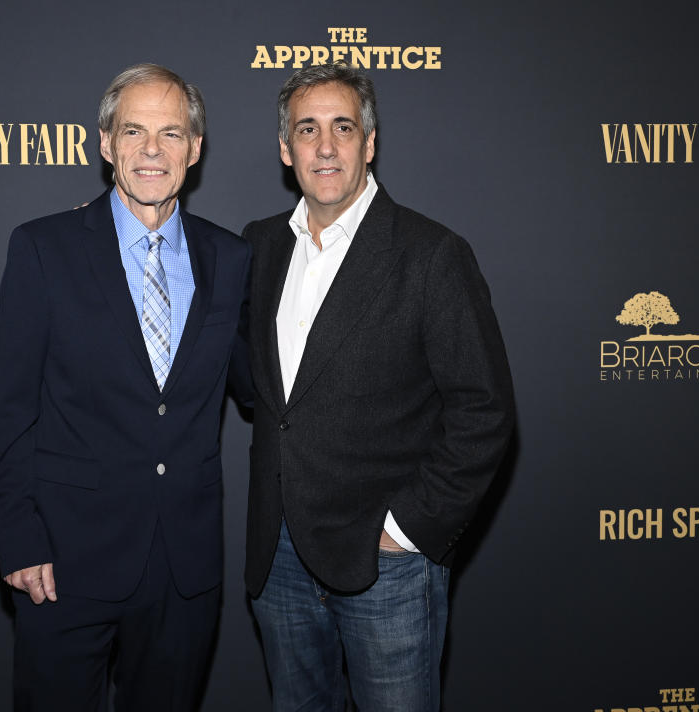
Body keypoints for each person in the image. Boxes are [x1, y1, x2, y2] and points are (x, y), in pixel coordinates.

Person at [243, 61, 515, 712]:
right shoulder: (257, 248)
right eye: (307, 129)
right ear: (286, 149)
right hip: (277, 556)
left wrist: (408, 531)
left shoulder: (431, 254)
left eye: (343, 126)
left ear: (370, 142)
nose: (326, 145)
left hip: (385, 562)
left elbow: (485, 410)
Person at [0, 63, 252, 712]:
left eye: (171, 132)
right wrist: (17, 539)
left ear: (195, 147)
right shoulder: (44, 248)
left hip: (184, 569)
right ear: (105, 144)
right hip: (65, 561)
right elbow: (14, 406)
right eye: (134, 131)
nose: (152, 150)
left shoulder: (232, 258)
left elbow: (259, 385)